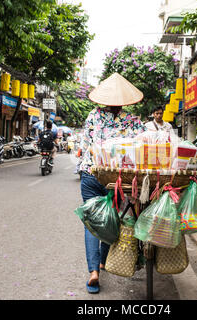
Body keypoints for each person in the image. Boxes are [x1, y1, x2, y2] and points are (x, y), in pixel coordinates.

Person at [78, 72, 146, 294]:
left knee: (92, 222)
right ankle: (103, 261)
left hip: (91, 175)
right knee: (112, 219)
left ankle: (93, 271)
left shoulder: (92, 117)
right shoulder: (133, 122)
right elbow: (143, 147)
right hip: (117, 180)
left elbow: (85, 145)